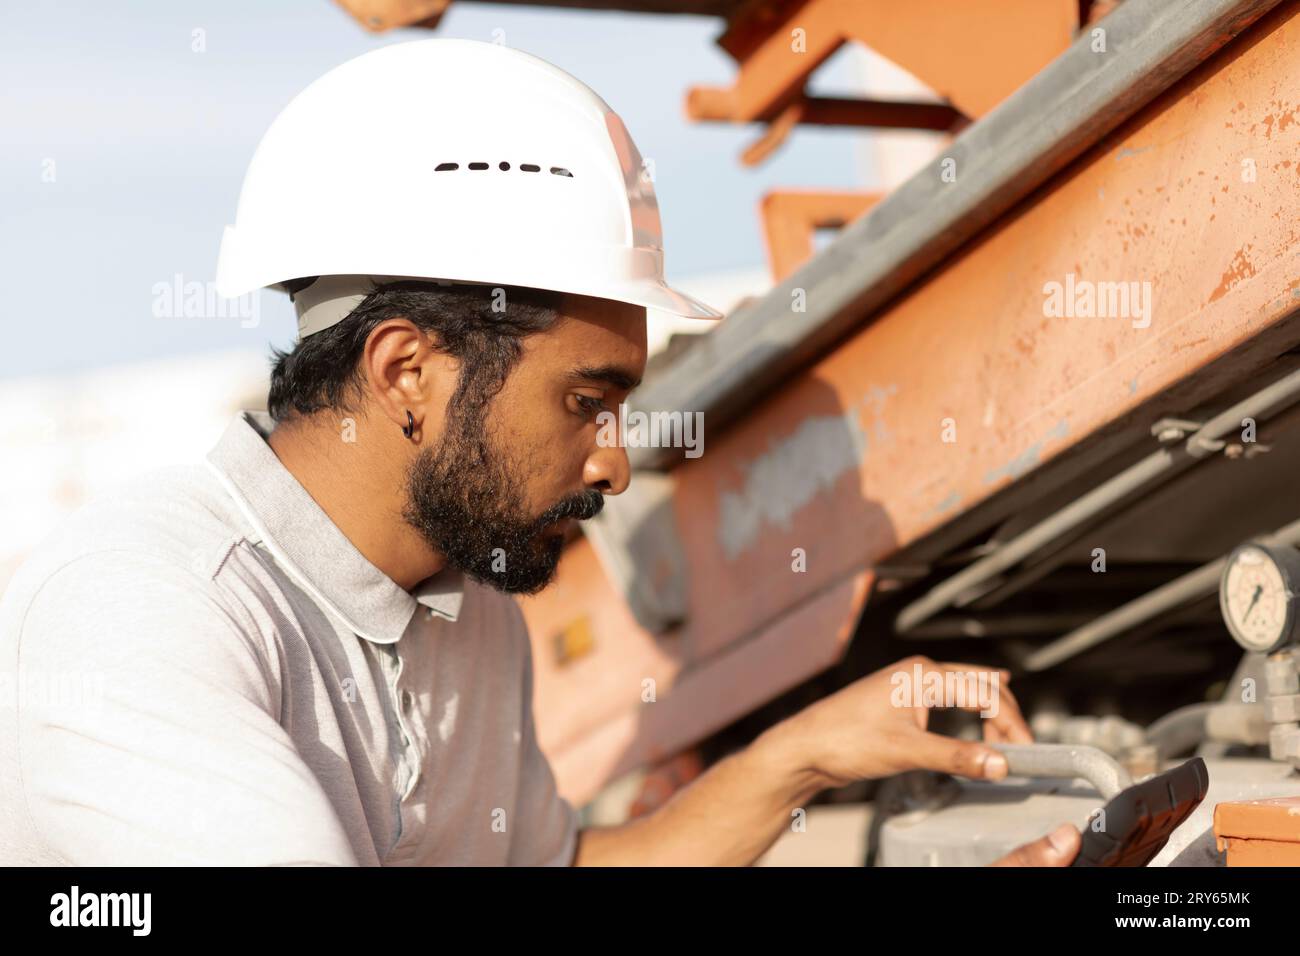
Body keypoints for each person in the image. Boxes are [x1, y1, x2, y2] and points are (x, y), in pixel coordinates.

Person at [0, 39, 1079, 866]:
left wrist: (798, 753)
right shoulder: (143, 611)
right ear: (405, 372)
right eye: (583, 399)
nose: (613, 462)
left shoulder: (468, 608)